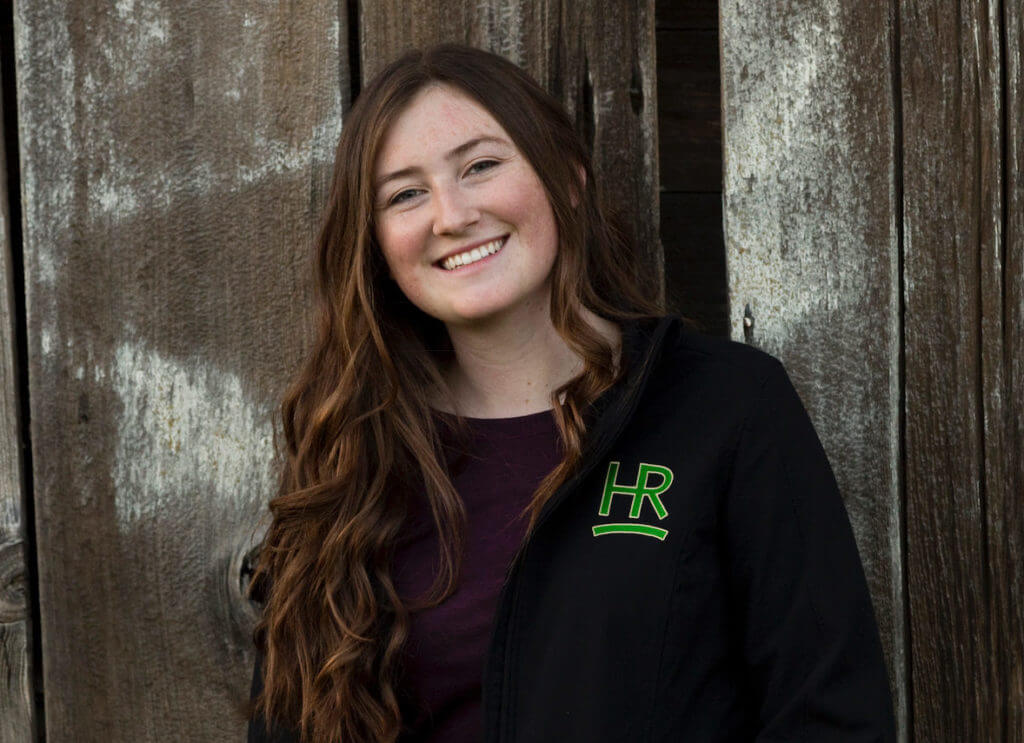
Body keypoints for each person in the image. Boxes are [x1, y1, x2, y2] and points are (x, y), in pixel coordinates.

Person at [245, 43, 897, 743]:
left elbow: (830, 715)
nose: (450, 214)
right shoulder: (353, 452)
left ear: (569, 176)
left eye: (480, 166)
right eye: (405, 194)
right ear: (376, 243)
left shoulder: (725, 408)